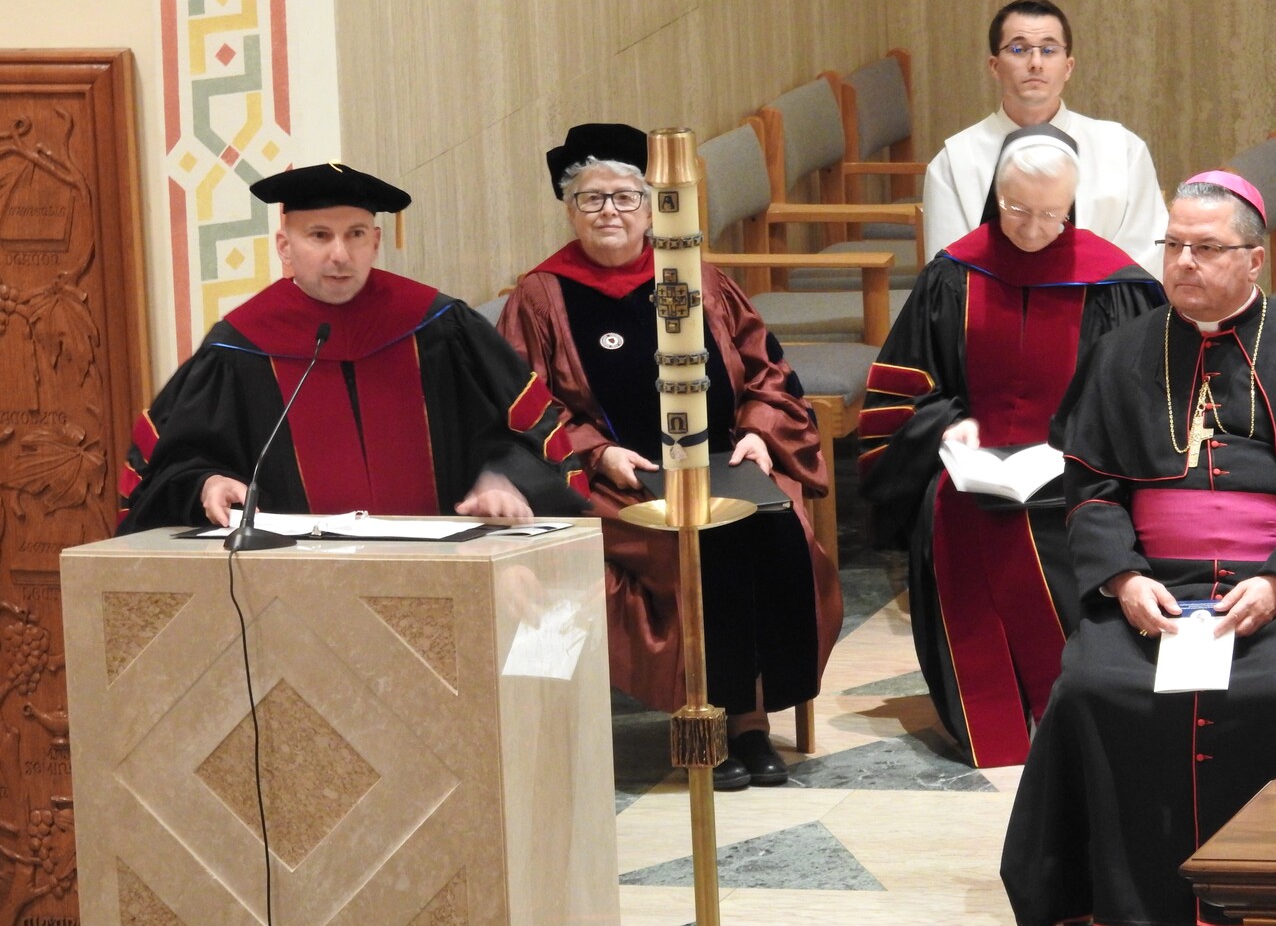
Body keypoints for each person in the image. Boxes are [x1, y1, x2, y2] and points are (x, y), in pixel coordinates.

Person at [496, 123, 843, 790]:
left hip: (727, 460)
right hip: (624, 482)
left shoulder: (696, 277)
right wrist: (597, 452)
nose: (611, 214)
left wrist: (761, 432)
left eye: (626, 198)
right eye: (592, 199)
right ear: (569, 210)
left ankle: (750, 721)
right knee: (695, 543)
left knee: (771, 529)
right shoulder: (541, 297)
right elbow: (523, 407)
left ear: (652, 207)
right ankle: (704, 722)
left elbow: (769, 370)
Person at [1001, 173, 1276, 926]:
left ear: (1255, 261)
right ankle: (1117, 900)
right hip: (1157, 585)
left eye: (1207, 248)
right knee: (1094, 687)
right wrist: (1122, 579)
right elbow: (1089, 489)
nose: (1184, 262)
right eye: (1174, 245)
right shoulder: (1123, 349)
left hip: (1268, 590)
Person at [857, 125, 1162, 768]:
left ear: (1074, 204)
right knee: (951, 511)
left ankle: (1072, 708)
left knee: (1077, 517)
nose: (1031, 228)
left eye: (1051, 213)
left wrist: (1081, 445)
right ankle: (991, 719)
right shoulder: (952, 275)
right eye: (1017, 209)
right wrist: (945, 423)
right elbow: (901, 389)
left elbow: (1144, 397)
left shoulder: (1117, 284)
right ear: (996, 195)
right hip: (969, 472)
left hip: (1077, 469)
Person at [118, 162, 587, 532]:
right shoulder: (240, 346)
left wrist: (501, 477)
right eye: (319, 235)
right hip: (290, 588)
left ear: (376, 241)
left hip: (444, 572)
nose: (339, 254)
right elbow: (171, 464)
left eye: (355, 235)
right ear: (285, 246)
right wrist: (208, 483)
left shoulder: (440, 327)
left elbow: (527, 430)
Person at [923, 0, 1167, 273]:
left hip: (1107, 310)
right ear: (994, 66)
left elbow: (1146, 254)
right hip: (991, 310)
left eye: (1049, 50)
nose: (1035, 62)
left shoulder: (1123, 149)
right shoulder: (954, 161)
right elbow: (945, 274)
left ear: (1068, 67)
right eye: (1018, 49)